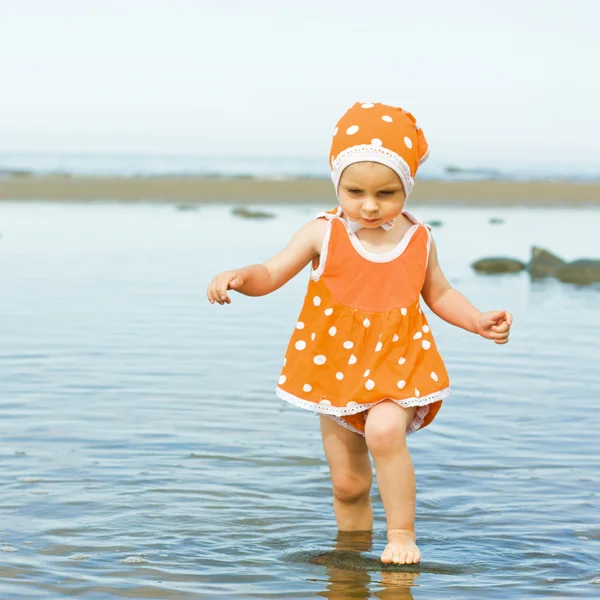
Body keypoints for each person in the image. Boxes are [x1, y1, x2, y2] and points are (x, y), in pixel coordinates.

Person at [207, 101, 513, 565]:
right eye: (355, 192)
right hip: (333, 369)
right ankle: (352, 557)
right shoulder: (322, 232)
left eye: (387, 193)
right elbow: (271, 273)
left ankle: (402, 534)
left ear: (406, 186)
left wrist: (476, 320)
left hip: (397, 364)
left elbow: (440, 292)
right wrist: (239, 278)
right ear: (337, 183)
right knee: (347, 484)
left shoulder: (419, 238)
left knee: (385, 432)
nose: (369, 206)